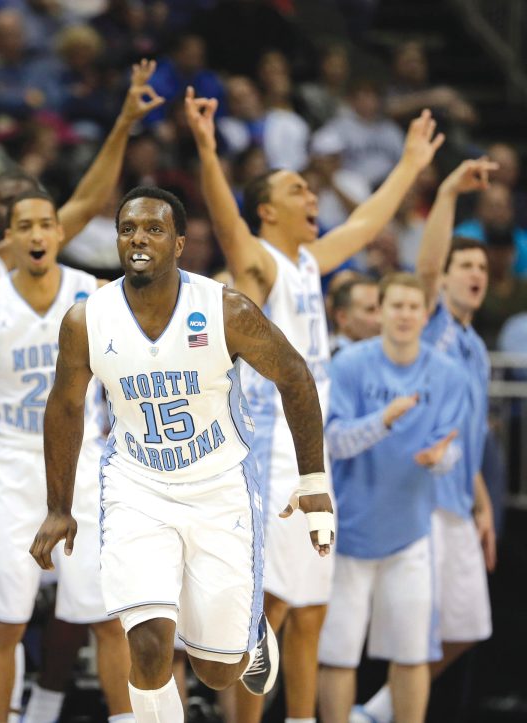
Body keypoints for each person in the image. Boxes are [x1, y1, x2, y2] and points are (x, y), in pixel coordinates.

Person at [185, 87, 443, 723]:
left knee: (310, 615)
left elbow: (364, 225)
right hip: (266, 463)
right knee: (266, 613)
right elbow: (226, 224)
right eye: (299, 190)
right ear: (267, 210)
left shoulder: (306, 261)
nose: (313, 197)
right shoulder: (260, 264)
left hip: (311, 461)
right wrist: (207, 150)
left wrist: (409, 166)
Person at [29, 186, 335, 723]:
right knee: (148, 646)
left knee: (216, 669)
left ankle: (248, 629)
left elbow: (296, 376)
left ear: (179, 244)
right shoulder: (86, 320)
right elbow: (65, 408)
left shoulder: (225, 309)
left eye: (153, 229)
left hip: (219, 489)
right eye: (128, 229)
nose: (138, 239)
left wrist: (313, 479)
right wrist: (58, 506)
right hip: (136, 488)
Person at [0, 189, 134, 723]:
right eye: (25, 226)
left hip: (86, 468)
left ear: (60, 234)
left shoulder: (93, 296)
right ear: (11, 238)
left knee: (110, 619)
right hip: (12, 472)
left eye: (47, 224)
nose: (38, 235)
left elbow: (132, 384)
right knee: (4, 624)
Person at [356, 158, 498, 723]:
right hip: (420, 502)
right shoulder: (433, 325)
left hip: (460, 503)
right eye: (465, 264)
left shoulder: (477, 348)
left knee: (468, 628)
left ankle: (376, 711)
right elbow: (429, 261)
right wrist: (445, 193)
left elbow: (466, 438)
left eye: (482, 266)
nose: (474, 273)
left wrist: (483, 504)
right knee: (419, 633)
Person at [318, 273, 468, 723]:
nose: (404, 315)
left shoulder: (449, 375)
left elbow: (452, 450)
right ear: (379, 311)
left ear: (426, 315)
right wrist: (383, 418)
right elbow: (334, 440)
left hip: (410, 533)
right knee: (339, 654)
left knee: (411, 653)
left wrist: (439, 458)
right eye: (396, 306)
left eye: (413, 307)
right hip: (348, 535)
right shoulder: (347, 365)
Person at [329, 275, 380, 354]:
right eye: (370, 310)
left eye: (381, 309)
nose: (380, 319)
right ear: (342, 317)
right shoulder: (325, 359)